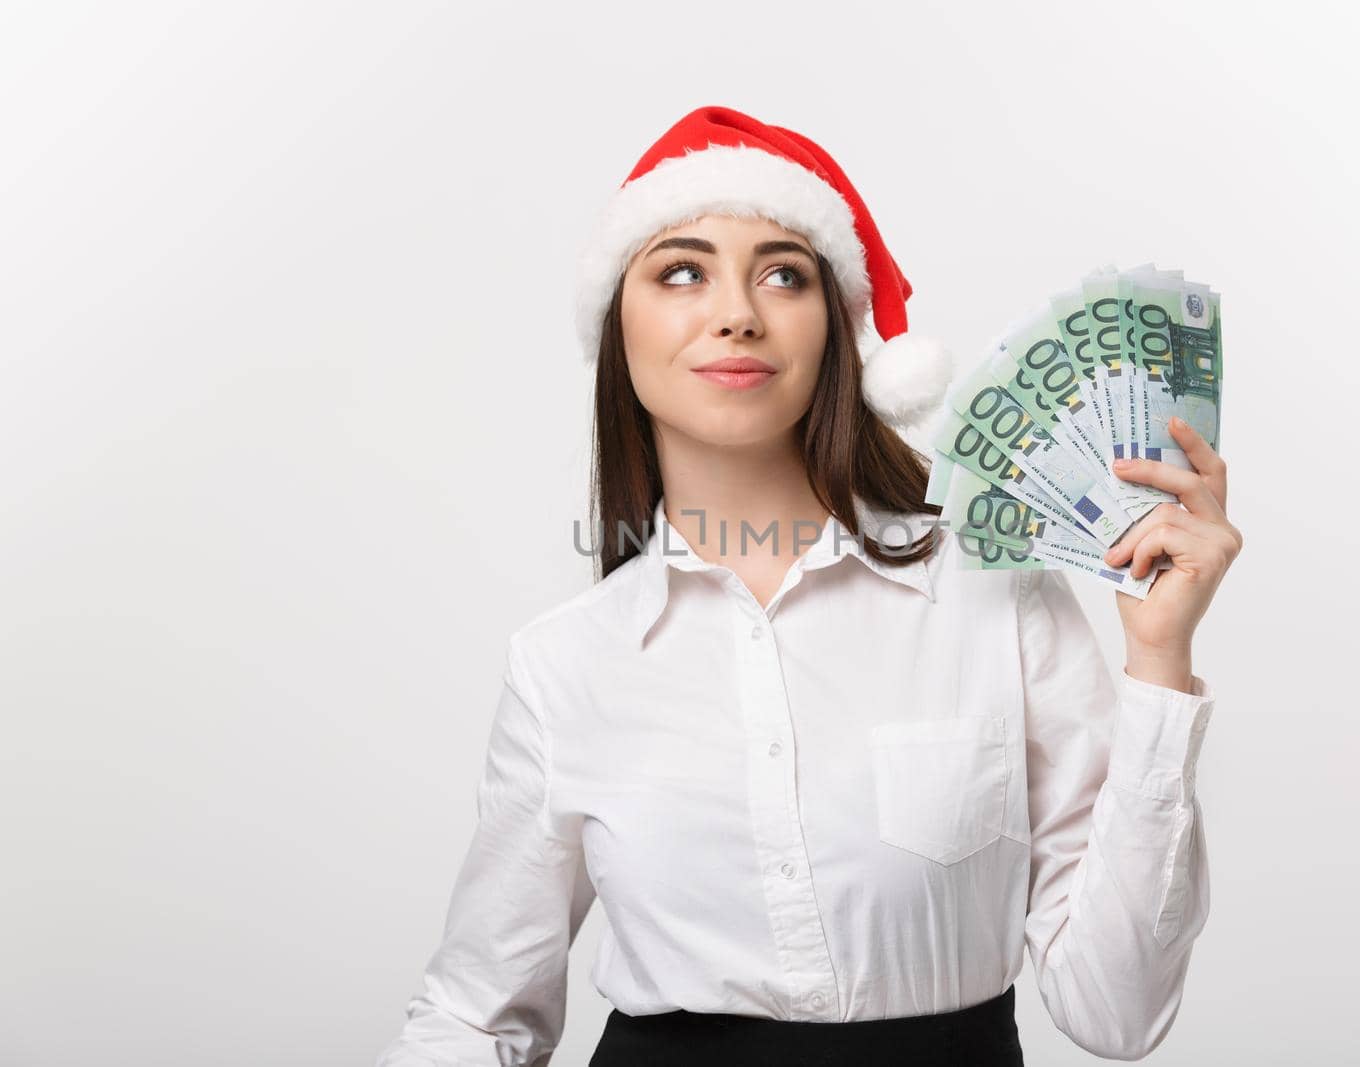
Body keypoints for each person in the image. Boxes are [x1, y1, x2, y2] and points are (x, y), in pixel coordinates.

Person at [375, 105, 1243, 1067]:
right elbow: (477, 1012)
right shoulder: (564, 664)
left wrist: (1161, 660)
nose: (737, 311)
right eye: (681, 271)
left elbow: (1116, 1014)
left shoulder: (996, 595)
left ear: (838, 326)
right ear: (618, 326)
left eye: (783, 273)